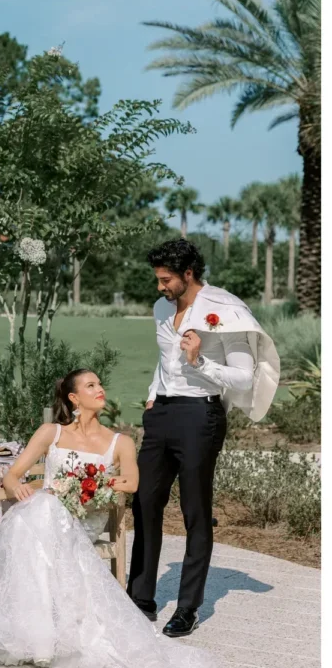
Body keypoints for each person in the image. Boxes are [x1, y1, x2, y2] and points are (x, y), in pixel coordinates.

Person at [0, 369, 215, 668]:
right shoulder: (51, 433)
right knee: (44, 507)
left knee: (43, 510)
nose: (100, 389)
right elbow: (12, 474)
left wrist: (88, 482)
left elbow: (131, 482)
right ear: (74, 398)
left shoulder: (120, 441)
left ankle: (38, 637)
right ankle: (37, 637)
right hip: (44, 519)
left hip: (84, 521)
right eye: (91, 386)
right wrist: (16, 487)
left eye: (101, 384)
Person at [129, 239, 271, 639]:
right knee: (144, 502)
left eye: (166, 279)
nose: (160, 287)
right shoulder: (161, 309)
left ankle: (188, 608)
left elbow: (245, 376)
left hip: (200, 415)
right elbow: (163, 361)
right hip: (162, 415)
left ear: (188, 274)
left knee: (195, 510)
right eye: (158, 279)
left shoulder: (225, 310)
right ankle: (141, 598)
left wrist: (201, 361)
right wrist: (154, 395)